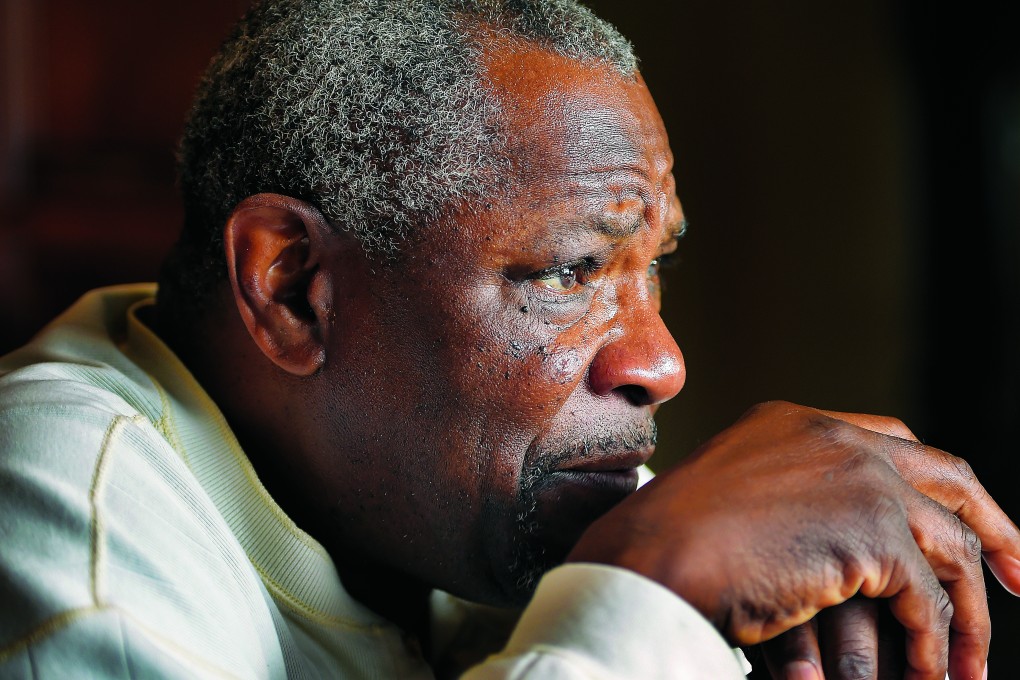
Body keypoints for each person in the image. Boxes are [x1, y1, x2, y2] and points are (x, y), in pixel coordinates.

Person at [1, 1, 1018, 678]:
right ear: (294, 289)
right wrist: (643, 598)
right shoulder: (63, 523)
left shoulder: (393, 499)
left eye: (649, 266)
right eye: (571, 272)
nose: (661, 361)